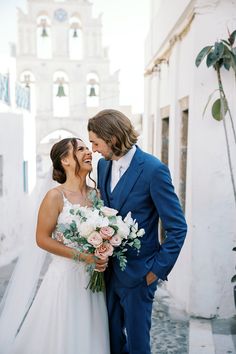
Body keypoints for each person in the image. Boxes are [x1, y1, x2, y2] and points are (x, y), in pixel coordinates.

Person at [88, 109, 188, 354]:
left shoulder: (154, 170)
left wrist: (155, 271)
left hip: (140, 275)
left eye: (96, 142)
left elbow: (177, 227)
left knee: (138, 345)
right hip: (107, 273)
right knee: (110, 341)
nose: (93, 149)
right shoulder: (102, 166)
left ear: (111, 138)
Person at [1, 138, 110, 354]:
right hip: (65, 279)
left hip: (94, 281)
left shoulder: (96, 195)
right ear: (65, 160)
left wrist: (102, 251)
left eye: (88, 148)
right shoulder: (54, 196)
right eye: (81, 149)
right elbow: (42, 239)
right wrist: (83, 257)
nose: (88, 152)